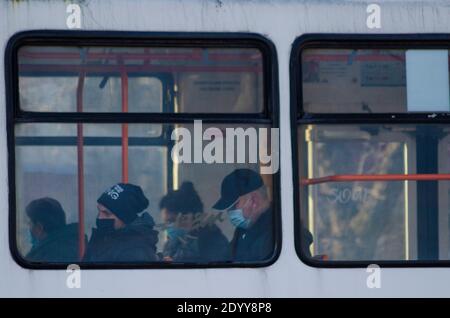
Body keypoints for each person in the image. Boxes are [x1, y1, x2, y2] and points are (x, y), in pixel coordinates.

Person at [84, 183, 158, 263]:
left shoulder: (135, 251)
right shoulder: (105, 237)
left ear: (125, 218)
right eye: (99, 211)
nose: (100, 217)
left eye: (107, 213)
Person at [159, 181, 230, 263]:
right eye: (166, 222)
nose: (169, 226)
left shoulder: (215, 244)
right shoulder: (172, 244)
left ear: (192, 217)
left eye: (171, 221)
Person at [213, 169, 274, 262]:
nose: (230, 212)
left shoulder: (276, 236)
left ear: (254, 200)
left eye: (234, 206)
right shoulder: (244, 230)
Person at [25, 197, 83, 263]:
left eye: (30, 224)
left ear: (39, 227)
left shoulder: (46, 254)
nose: (29, 228)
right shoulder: (76, 243)